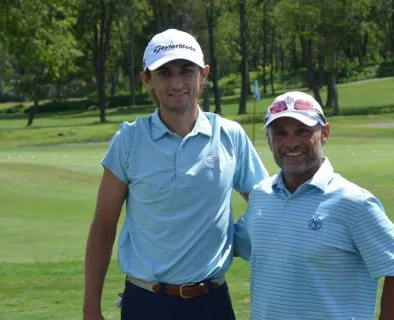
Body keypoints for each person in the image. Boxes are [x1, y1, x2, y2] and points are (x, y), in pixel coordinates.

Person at [83, 29, 268, 320]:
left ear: (203, 74)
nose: (177, 82)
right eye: (165, 72)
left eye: (186, 70)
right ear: (147, 79)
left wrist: (239, 239)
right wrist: (91, 307)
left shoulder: (229, 135)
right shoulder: (129, 140)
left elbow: (267, 205)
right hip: (146, 302)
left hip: (212, 302)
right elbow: (104, 225)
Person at [234, 91, 394, 320]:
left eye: (303, 131)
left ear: (325, 134)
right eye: (280, 133)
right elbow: (239, 246)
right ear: (270, 140)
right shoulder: (261, 195)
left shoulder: (354, 202)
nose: (291, 142)